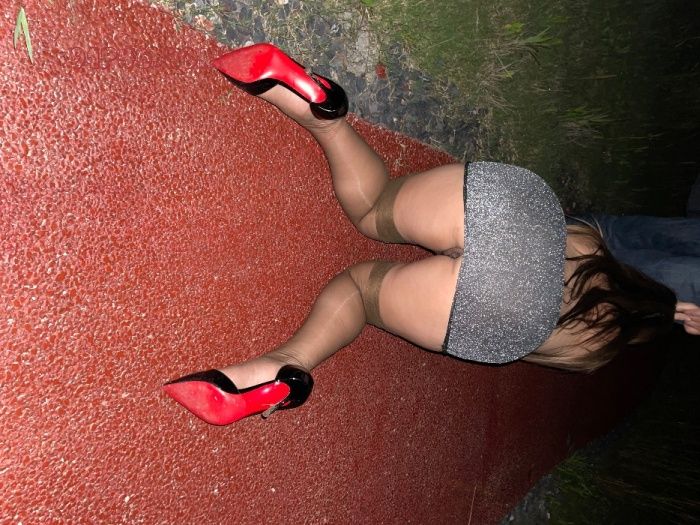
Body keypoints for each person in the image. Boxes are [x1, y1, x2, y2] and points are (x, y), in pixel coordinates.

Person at [162, 43, 677, 426]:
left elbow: (561, 235)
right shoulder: (594, 352)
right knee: (361, 292)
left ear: (639, 279)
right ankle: (281, 371)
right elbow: (526, 348)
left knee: (376, 206)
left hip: (512, 208)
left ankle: (322, 110)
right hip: (504, 307)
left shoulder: (597, 250)